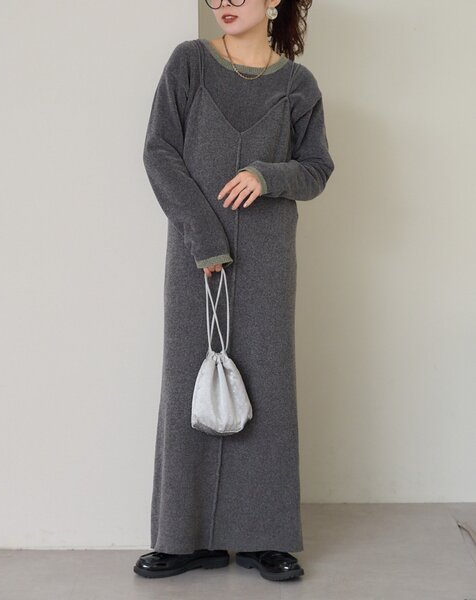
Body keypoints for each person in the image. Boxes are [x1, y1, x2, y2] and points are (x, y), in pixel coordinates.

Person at [134, 0, 335, 583]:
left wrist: (267, 175)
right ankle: (182, 539)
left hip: (268, 260)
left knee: (267, 384)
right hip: (196, 254)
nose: (223, 2)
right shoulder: (189, 64)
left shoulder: (298, 84)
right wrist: (203, 236)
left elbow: (317, 169)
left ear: (274, 2)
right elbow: (159, 152)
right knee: (186, 382)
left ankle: (266, 537)